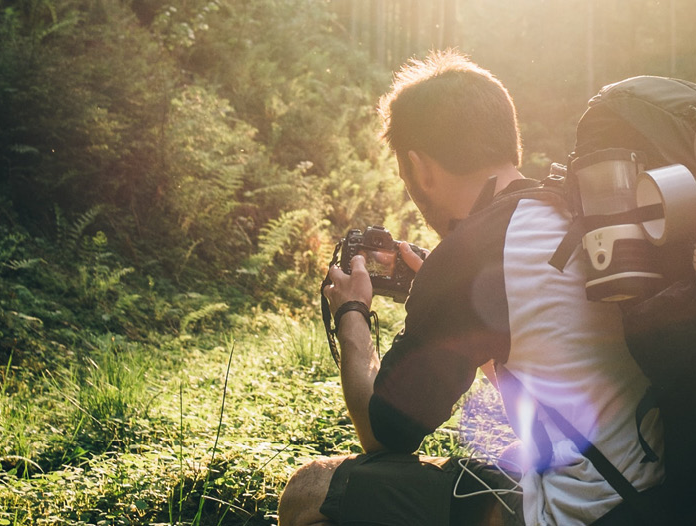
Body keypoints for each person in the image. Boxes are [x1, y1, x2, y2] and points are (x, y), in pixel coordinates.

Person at [278, 50, 664, 526]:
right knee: (506, 454)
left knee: (309, 492)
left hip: (586, 511)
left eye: (406, 178)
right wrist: (449, 306)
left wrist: (351, 313)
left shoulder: (469, 252)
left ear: (420, 168)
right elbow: (544, 368)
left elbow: (383, 434)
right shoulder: (565, 208)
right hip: (654, 487)